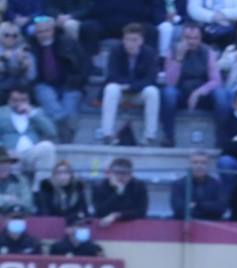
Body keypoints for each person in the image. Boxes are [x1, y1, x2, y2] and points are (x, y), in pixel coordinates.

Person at [28, 15, 87, 144]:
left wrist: (75, 83)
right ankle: (63, 132)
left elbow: (83, 67)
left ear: (53, 30)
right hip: (44, 84)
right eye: (39, 31)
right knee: (45, 95)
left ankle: (63, 136)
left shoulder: (68, 42)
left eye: (46, 30)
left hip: (69, 84)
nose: (43, 34)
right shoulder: (31, 47)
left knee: (70, 109)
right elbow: (31, 76)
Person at [160, 22, 219, 147]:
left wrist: (198, 92)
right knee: (168, 93)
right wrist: (179, 58)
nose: (192, 42)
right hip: (180, 93)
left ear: (200, 38)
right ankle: (169, 137)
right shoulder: (172, 51)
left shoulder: (208, 52)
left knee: (222, 95)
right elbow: (170, 82)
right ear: (181, 38)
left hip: (202, 94)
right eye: (188, 38)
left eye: (195, 38)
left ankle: (222, 139)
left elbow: (216, 81)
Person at [100, 23, 161, 145]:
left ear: (141, 41)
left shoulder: (149, 53)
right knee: (111, 88)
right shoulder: (116, 50)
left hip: (139, 92)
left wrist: (132, 86)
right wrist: (125, 85)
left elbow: (151, 79)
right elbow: (112, 75)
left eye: (134, 40)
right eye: (127, 39)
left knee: (153, 92)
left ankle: (150, 136)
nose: (130, 43)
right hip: (121, 91)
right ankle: (107, 134)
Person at [0, 89, 57, 180]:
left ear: (28, 101)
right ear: (9, 101)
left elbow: (51, 132)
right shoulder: (1, 113)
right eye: (15, 100)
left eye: (23, 100)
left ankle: (41, 188)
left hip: (31, 154)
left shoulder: (36, 112)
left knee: (48, 146)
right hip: (9, 154)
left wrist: (32, 113)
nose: (19, 103)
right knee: (7, 161)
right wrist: (4, 151)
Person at [172, 150, 229, 220]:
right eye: (195, 162)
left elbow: (221, 208)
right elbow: (178, 209)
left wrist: (196, 205)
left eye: (203, 163)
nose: (199, 166)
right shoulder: (178, 184)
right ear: (189, 164)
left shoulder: (218, 185)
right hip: (185, 223)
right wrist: (207, 207)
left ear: (208, 165)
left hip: (212, 225)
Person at [92, 157, 149, 226]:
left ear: (131, 174)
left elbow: (141, 212)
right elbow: (100, 212)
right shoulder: (99, 187)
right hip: (106, 226)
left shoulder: (139, 186)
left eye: (125, 173)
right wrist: (118, 192)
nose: (120, 176)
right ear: (110, 173)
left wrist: (117, 215)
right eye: (117, 173)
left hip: (132, 225)